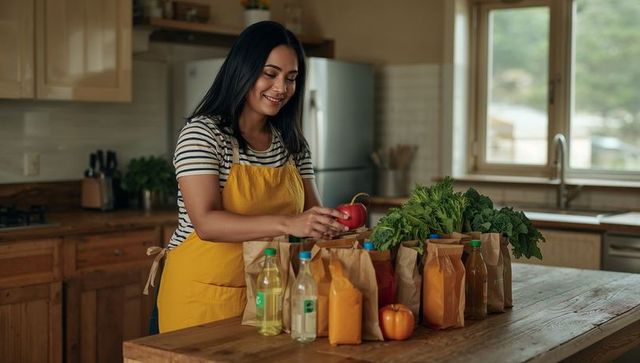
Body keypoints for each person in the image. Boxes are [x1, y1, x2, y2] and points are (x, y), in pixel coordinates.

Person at [153, 21, 350, 333]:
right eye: (269, 74)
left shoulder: (293, 145)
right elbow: (206, 223)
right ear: (243, 70)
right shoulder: (203, 134)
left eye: (291, 78)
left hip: (270, 296)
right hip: (202, 298)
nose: (281, 88)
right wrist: (289, 222)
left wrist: (331, 224)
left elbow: (310, 222)